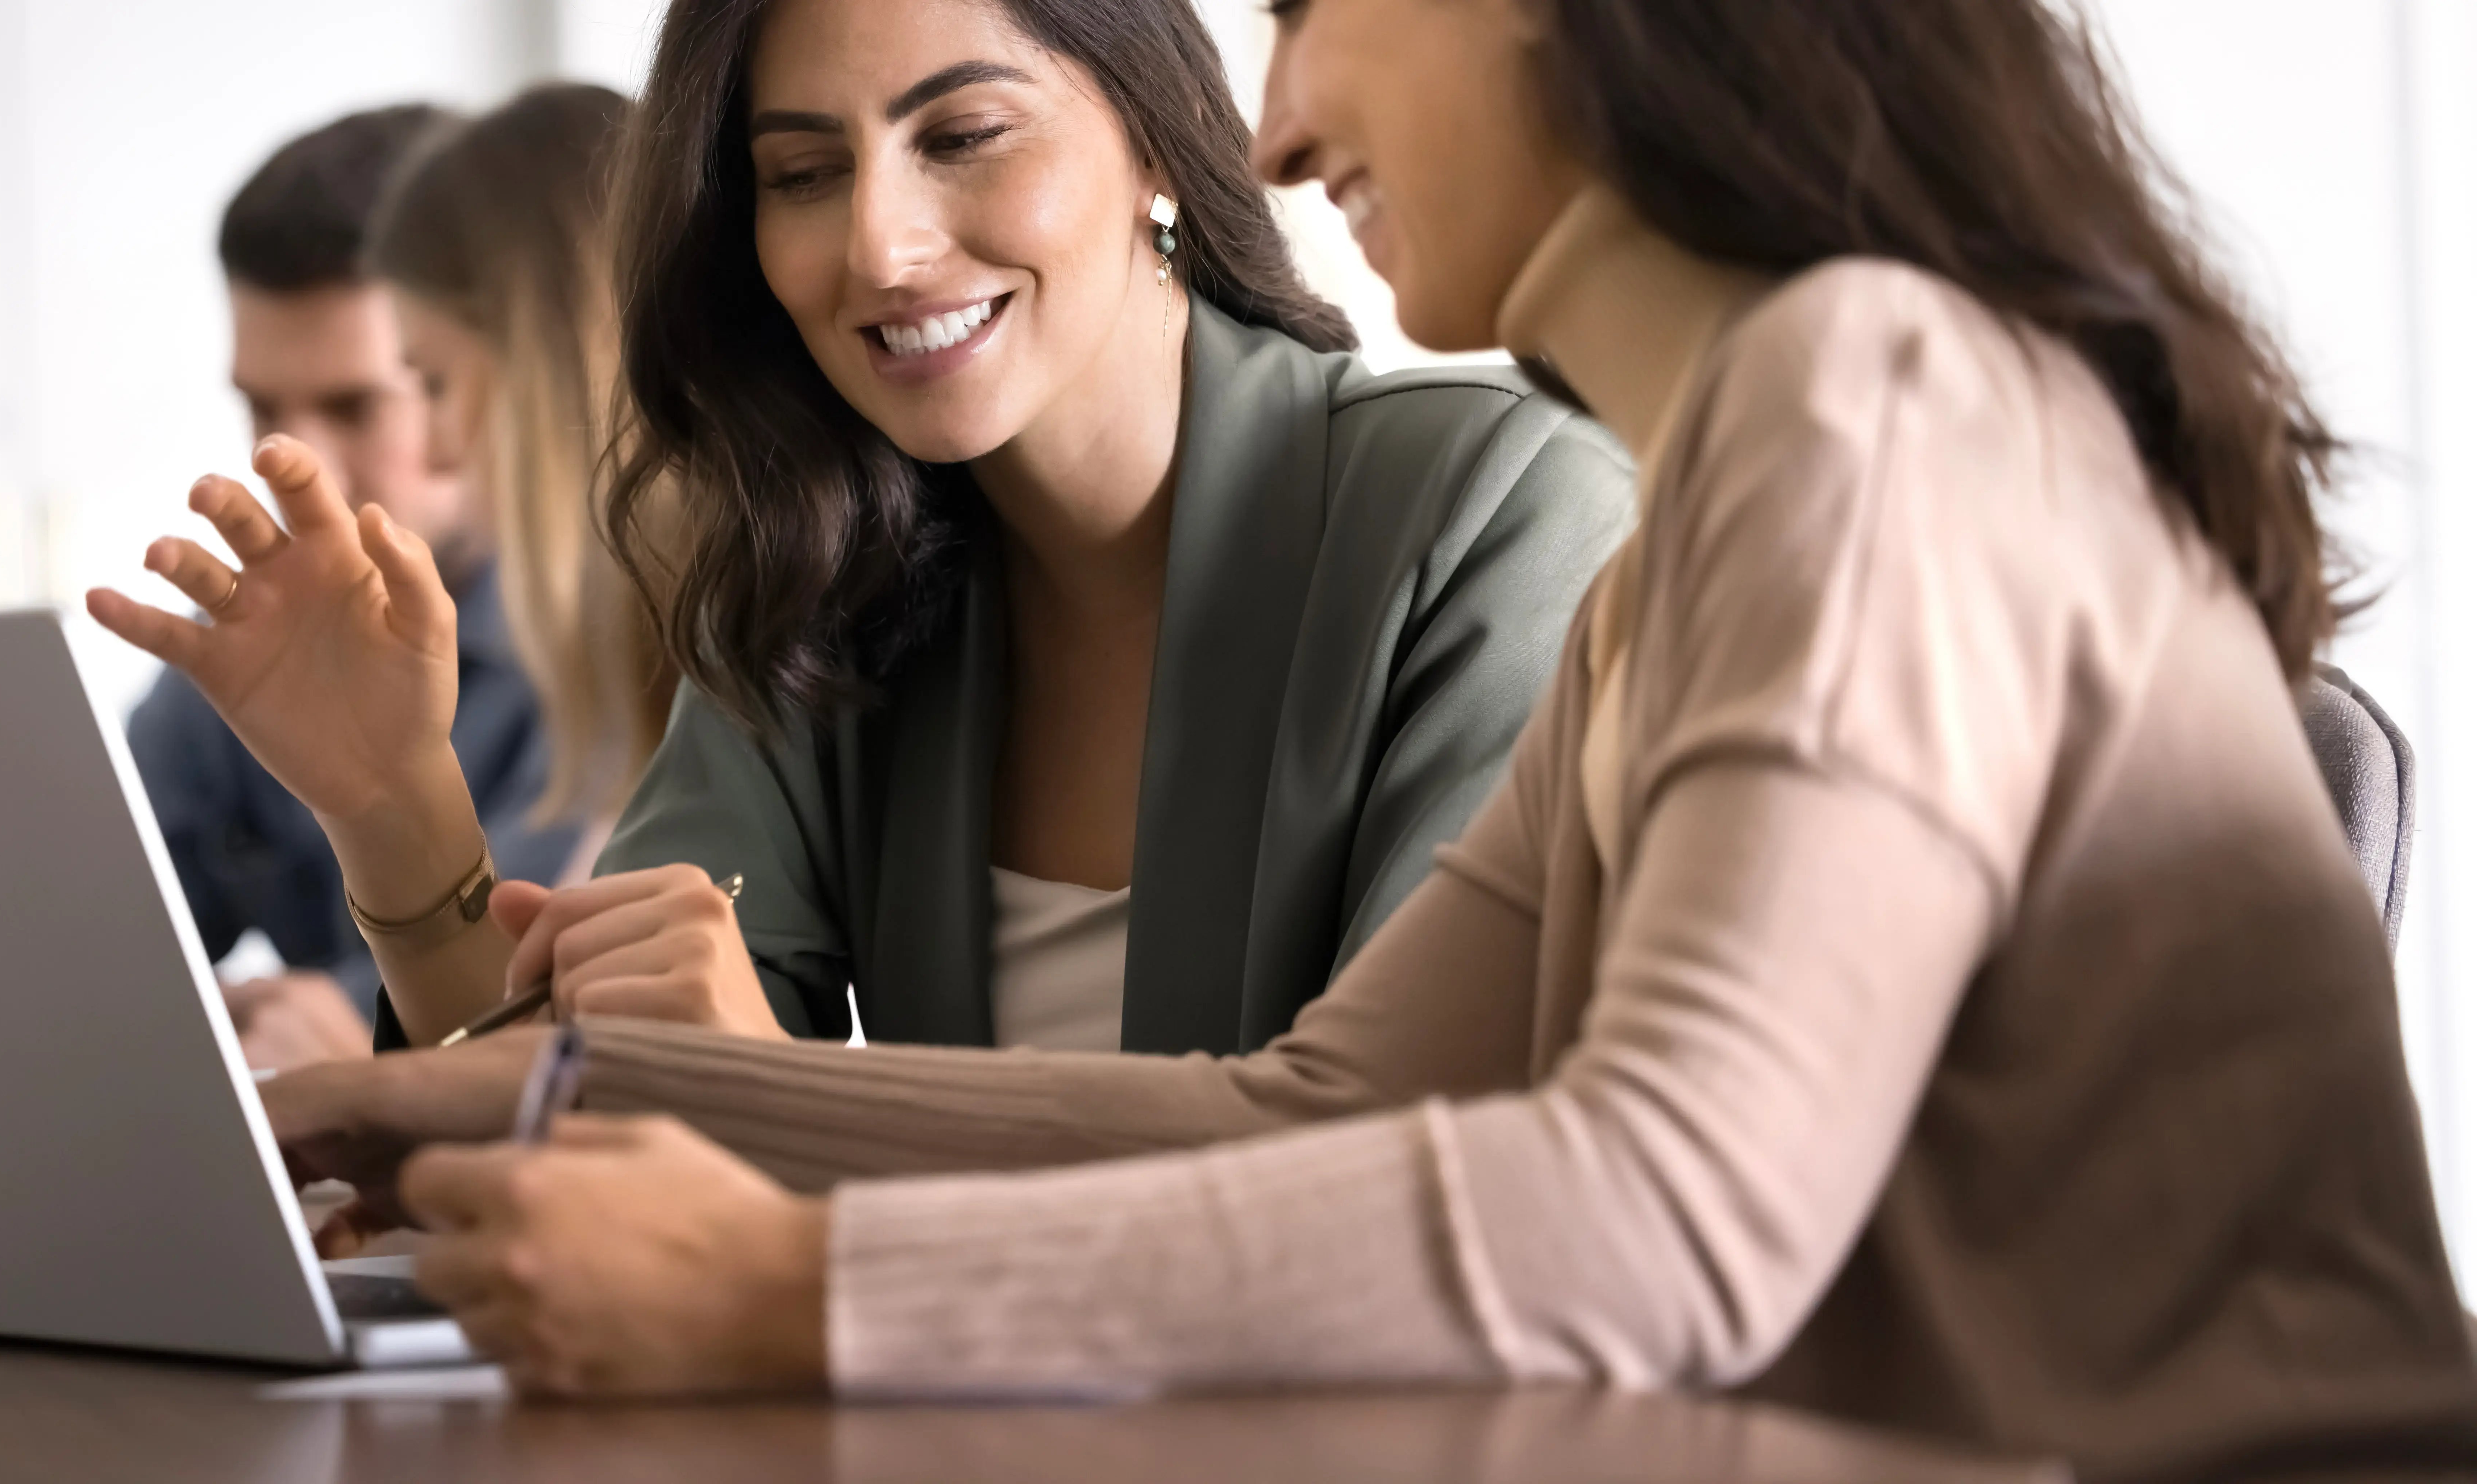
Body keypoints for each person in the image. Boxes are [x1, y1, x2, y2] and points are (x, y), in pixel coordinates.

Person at [183, 0, 2477, 1474]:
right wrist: (507, 1078)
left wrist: (799, 1285)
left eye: (1308, 11)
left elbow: (1659, 1217)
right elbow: (1339, 1104)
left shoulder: (1855, 391)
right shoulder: (1723, 499)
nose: (1276, 117)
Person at [89, 0, 1637, 1062]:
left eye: (961, 135)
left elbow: (1379, 1151)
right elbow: (576, 1131)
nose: (881, 249)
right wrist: (392, 806)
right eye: (802, 174)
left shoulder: (1498, 508)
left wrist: (785, 1092)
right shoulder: (823, 568)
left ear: (1161, 143)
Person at [129, 105, 575, 1071]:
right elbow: (99, 942)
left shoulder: (623, 651)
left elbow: (541, 990)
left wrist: (345, 1025)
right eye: (260, 405)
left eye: (356, 404)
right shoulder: (245, 650)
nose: (293, 463)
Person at [365, 84, 673, 883]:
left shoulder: (723, 655)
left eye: (433, 383)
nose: (435, 454)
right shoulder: (631, 668)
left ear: (539, 353)